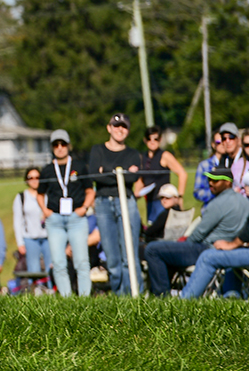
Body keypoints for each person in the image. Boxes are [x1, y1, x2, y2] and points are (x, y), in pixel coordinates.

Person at [180, 159, 249, 299]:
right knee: (228, 255)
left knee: (208, 257)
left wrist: (232, 244)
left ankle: (185, 299)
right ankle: (232, 296)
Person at [146, 158, 249, 296]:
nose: (210, 183)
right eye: (209, 180)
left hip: (205, 249)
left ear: (227, 182)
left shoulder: (218, 204)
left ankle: (162, 297)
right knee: (167, 251)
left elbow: (199, 234)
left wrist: (183, 243)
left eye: (215, 180)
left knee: (152, 249)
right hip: (230, 250)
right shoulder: (245, 203)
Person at [88, 113, 144, 295]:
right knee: (112, 258)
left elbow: (133, 177)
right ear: (109, 128)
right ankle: (120, 296)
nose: (120, 129)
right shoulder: (98, 150)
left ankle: (135, 295)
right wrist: (120, 173)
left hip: (126, 203)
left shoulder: (133, 153)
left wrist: (107, 171)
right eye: (116, 125)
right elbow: (94, 175)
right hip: (103, 204)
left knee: (130, 255)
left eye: (124, 126)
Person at [37, 129, 95, 297]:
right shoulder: (47, 170)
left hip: (76, 219)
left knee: (81, 261)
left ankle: (84, 297)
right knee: (58, 262)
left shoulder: (79, 166)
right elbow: (40, 194)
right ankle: (66, 298)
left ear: (68, 146)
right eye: (56, 145)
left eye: (63, 144)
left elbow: (90, 191)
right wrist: (45, 210)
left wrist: (84, 208)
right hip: (54, 220)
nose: (60, 148)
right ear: (52, 148)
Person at [138, 126, 188, 223]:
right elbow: (141, 178)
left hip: (163, 201)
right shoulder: (142, 158)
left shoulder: (165, 155)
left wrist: (179, 196)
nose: (152, 142)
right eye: (149, 139)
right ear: (145, 140)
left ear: (160, 139)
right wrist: (137, 193)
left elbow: (182, 174)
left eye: (156, 139)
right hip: (149, 201)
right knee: (152, 228)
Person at [13, 167, 50, 274]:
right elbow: (17, 221)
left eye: (37, 177)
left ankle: (52, 289)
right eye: (31, 177)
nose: (34, 180)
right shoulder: (21, 197)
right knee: (34, 269)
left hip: (47, 237)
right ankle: (35, 290)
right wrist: (20, 243)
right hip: (30, 239)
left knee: (51, 267)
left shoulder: (47, 195)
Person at [193, 131, 226, 205]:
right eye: (218, 142)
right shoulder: (204, 165)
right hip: (210, 208)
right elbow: (197, 192)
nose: (222, 145)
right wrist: (215, 192)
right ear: (213, 145)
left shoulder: (232, 163)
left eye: (223, 141)